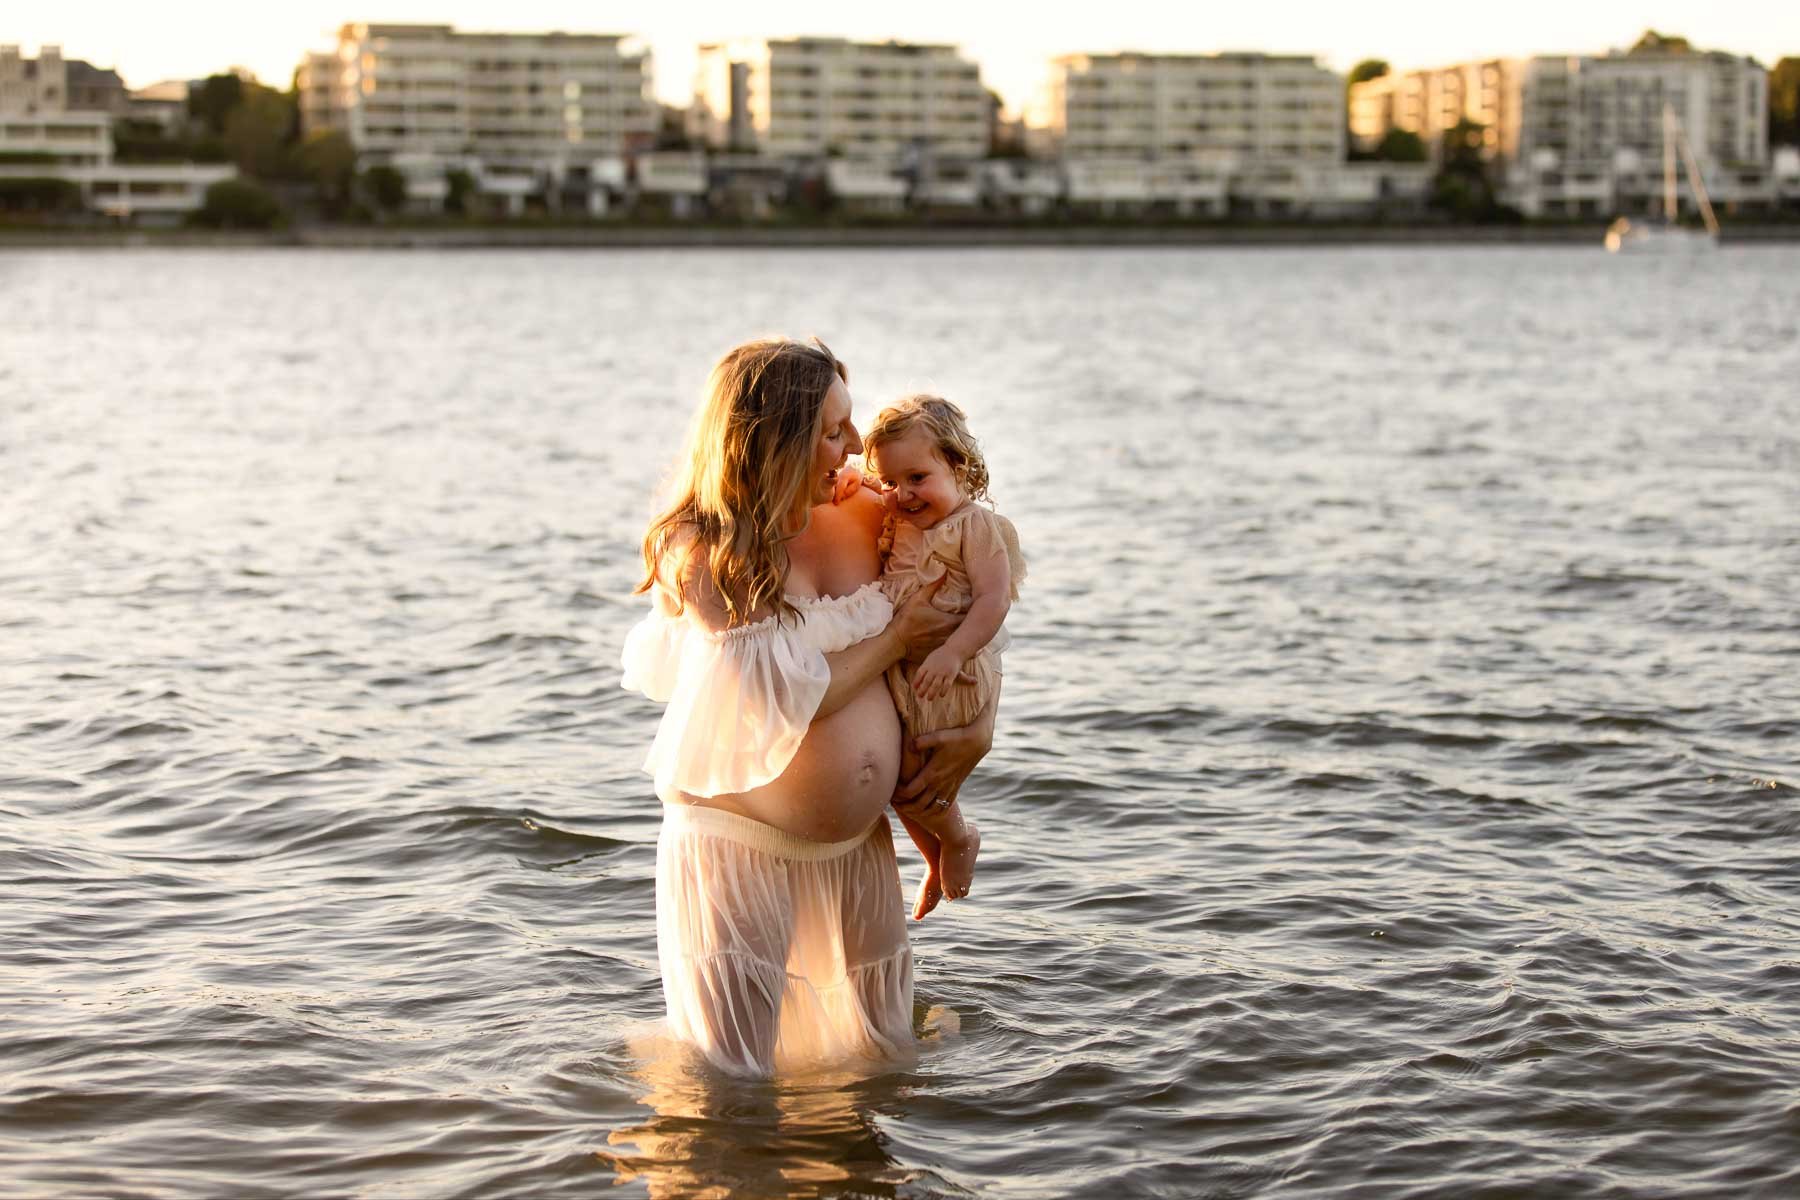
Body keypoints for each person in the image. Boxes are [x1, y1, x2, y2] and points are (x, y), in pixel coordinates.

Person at [619, 337, 997, 1079]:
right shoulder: (707, 548)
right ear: (775, 441)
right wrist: (892, 641)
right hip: (738, 850)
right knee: (729, 1090)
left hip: (855, 851)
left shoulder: (868, 515)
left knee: (880, 1079)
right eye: (833, 431)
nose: (855, 447)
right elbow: (779, 697)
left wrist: (973, 737)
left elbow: (961, 606)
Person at [862, 395, 1025, 906]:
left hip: (952, 672)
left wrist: (953, 652)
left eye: (917, 478)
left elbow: (994, 600)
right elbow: (863, 484)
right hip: (907, 670)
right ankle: (934, 859)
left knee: (917, 771)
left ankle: (957, 837)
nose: (903, 493)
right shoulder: (900, 523)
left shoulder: (976, 526)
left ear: (957, 466)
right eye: (891, 482)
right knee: (895, 778)